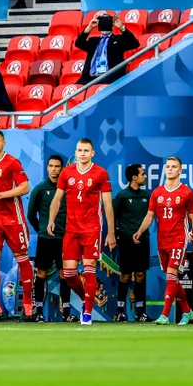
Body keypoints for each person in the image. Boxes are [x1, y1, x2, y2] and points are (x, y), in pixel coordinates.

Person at [47, 138, 117, 326]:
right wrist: (51, 220)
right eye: (80, 150)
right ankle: (88, 297)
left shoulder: (101, 173)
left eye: (86, 150)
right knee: (69, 274)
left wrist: (110, 233)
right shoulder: (66, 173)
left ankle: (86, 313)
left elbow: (108, 205)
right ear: (75, 153)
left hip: (92, 229)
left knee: (89, 269)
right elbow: (57, 199)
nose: (83, 153)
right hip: (71, 230)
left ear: (93, 153)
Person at [133, 156, 193, 326]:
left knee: (171, 276)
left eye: (174, 166)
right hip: (162, 240)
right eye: (168, 166)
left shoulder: (187, 193)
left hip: (179, 239)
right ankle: (187, 311)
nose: (170, 169)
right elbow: (150, 215)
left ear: (180, 170)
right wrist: (140, 231)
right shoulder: (157, 193)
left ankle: (165, 315)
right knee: (173, 280)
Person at [0, 130, 35, 321]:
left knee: (22, 259)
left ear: (4, 142)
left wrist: (2, 195)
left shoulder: (12, 162)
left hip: (13, 220)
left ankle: (28, 303)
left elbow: (25, 187)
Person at [28, 155, 73, 322]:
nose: (54, 169)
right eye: (51, 166)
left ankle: (67, 312)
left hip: (65, 238)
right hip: (46, 239)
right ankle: (38, 311)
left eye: (57, 166)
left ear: (62, 168)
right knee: (41, 273)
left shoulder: (68, 189)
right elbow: (31, 214)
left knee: (65, 274)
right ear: (47, 168)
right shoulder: (39, 189)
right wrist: (41, 229)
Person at [112, 163, 150, 321]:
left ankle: (140, 312)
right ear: (134, 177)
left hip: (143, 241)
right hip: (126, 241)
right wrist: (115, 236)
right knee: (125, 276)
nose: (145, 176)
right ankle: (120, 311)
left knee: (140, 275)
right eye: (142, 174)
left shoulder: (146, 196)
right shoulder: (122, 196)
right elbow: (112, 216)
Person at [75, 13, 139, 85]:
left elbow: (134, 44)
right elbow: (78, 43)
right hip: (89, 79)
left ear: (112, 24)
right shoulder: (93, 41)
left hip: (110, 78)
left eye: (107, 21)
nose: (105, 23)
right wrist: (89, 27)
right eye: (102, 21)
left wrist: (122, 28)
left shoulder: (118, 40)